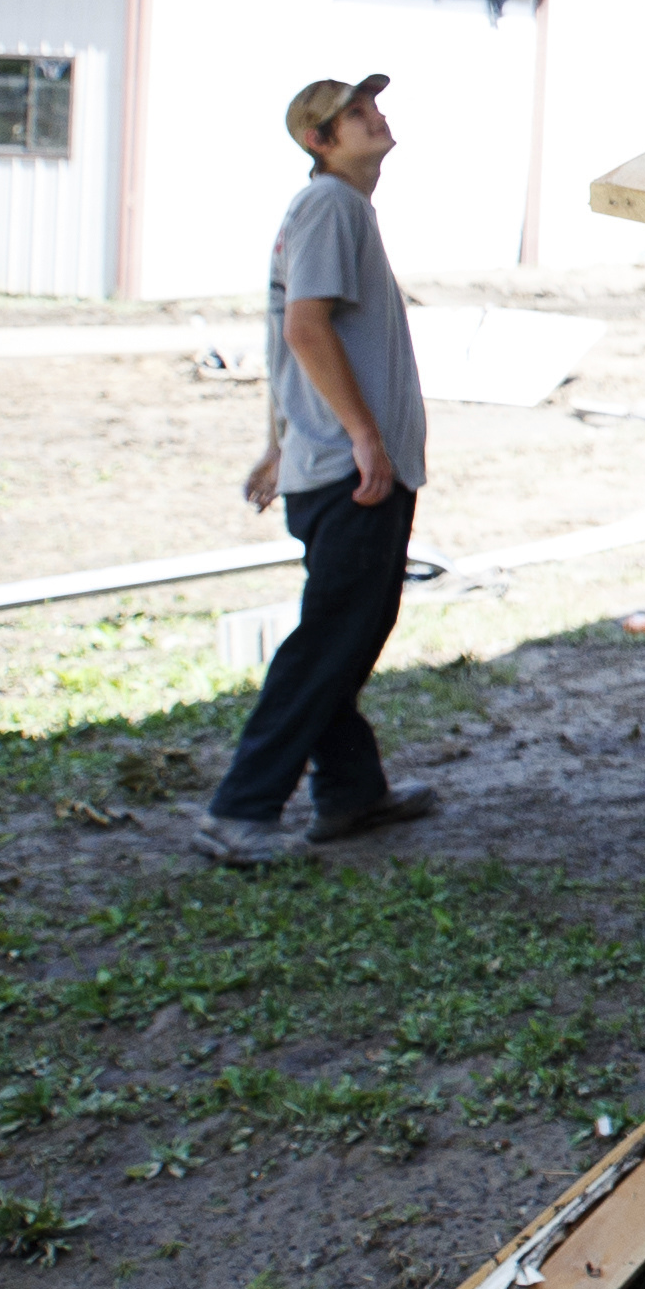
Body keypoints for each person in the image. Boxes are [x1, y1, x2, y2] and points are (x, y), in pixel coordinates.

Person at [197, 75, 435, 867]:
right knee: (335, 635)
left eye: (373, 105)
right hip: (349, 466)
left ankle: (352, 792)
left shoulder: (333, 210)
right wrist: (363, 436)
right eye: (353, 115)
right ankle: (240, 808)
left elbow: (284, 338)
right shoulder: (332, 205)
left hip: (326, 458)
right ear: (319, 141)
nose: (375, 117)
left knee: (348, 630)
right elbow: (304, 329)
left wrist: (280, 443)